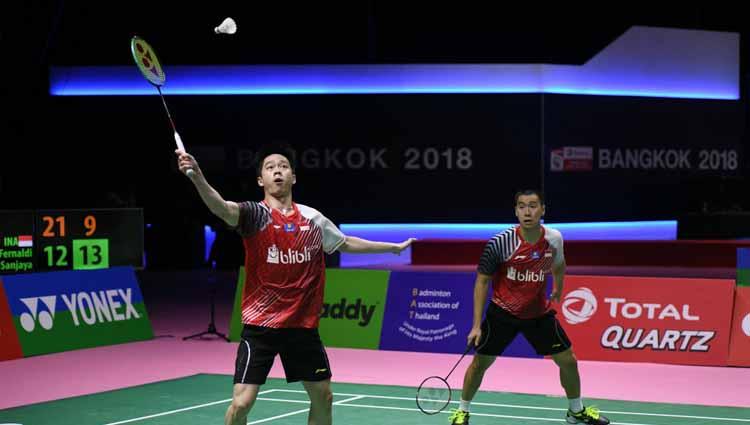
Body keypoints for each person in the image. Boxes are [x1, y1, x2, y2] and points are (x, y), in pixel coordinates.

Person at [175, 142, 415, 425]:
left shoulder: (313, 219)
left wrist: (391, 248)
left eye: (283, 166)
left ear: (293, 177)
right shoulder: (255, 215)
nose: (277, 171)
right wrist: (197, 176)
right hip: (261, 326)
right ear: (260, 180)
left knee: (324, 396)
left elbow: (345, 242)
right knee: (242, 403)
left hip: (302, 327)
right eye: (270, 167)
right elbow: (222, 208)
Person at [448, 190, 609, 425]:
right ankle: (462, 411)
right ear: (515, 211)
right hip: (502, 313)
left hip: (538, 314)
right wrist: (475, 326)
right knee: (480, 363)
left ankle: (576, 411)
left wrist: (559, 287)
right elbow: (482, 281)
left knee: (568, 360)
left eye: (533, 206)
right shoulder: (500, 242)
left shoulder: (554, 238)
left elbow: (559, 263)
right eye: (522, 206)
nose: (527, 211)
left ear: (543, 209)